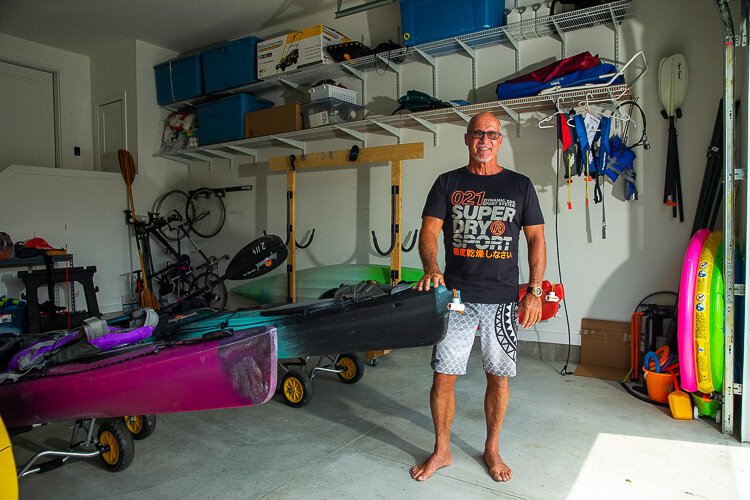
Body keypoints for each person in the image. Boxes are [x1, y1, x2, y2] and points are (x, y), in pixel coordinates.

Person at [410, 111, 546, 483]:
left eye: (491, 134)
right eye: (476, 134)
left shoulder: (520, 186)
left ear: (500, 141)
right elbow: (429, 233)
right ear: (467, 139)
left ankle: (492, 448)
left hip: (503, 299)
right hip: (457, 296)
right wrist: (431, 268)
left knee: (498, 377)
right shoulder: (448, 182)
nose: (484, 140)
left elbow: (535, 239)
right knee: (443, 376)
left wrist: (534, 291)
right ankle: (442, 449)